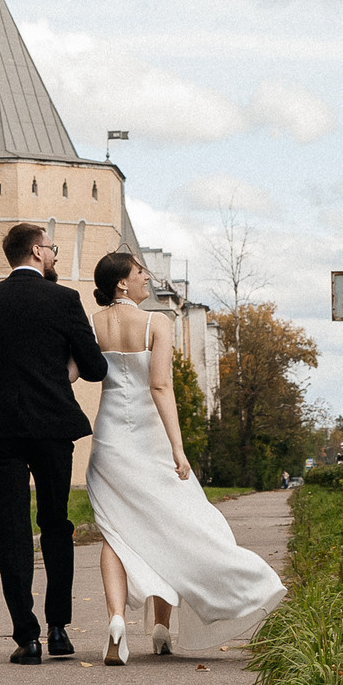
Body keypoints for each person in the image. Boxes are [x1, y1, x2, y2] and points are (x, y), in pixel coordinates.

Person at [83, 251, 286, 663]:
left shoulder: (93, 324)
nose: (147, 279)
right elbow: (160, 387)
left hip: (109, 441)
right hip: (150, 439)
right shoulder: (158, 322)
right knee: (173, 523)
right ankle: (164, 624)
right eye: (141, 273)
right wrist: (178, 447)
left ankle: (119, 621)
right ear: (122, 282)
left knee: (116, 531)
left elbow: (74, 371)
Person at [0, 222, 108, 663]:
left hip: (0, 428)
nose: (56, 255)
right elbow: (95, 366)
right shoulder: (64, 300)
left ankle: (26, 637)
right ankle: (59, 630)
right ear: (36, 251)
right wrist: (59, 375)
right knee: (55, 523)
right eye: (52, 248)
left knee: (12, 531)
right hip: (51, 425)